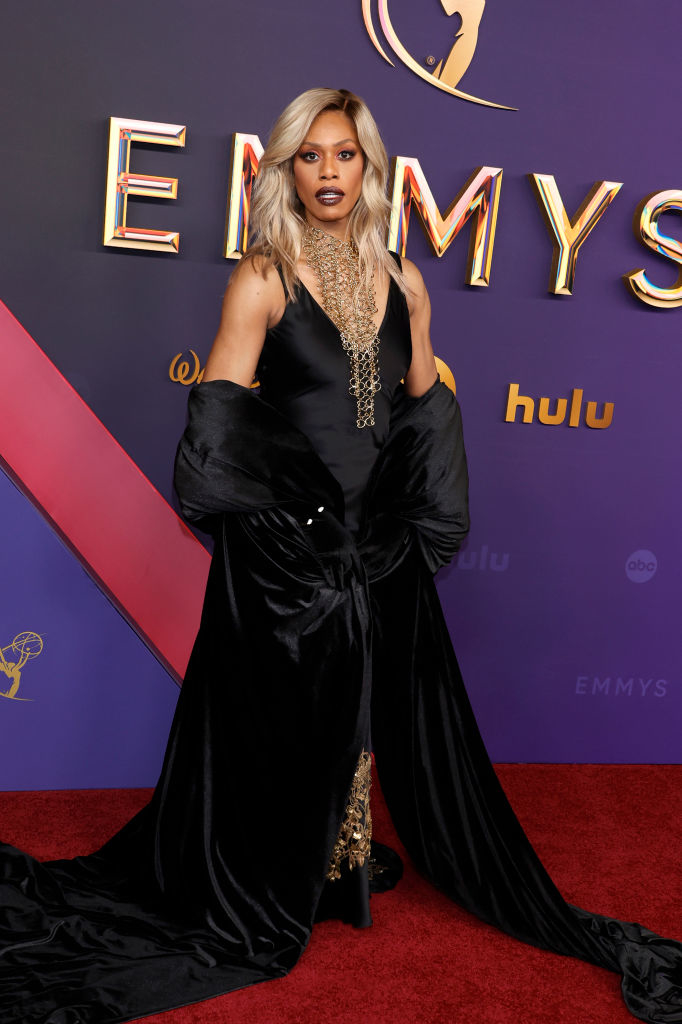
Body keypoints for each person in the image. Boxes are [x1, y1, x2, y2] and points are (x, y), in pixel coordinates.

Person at [1, 87, 681, 1024]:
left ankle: (338, 855)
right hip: (285, 547)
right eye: (309, 157)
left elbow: (418, 402)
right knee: (276, 711)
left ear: (371, 167)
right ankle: (270, 867)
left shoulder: (403, 279)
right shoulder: (262, 278)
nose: (327, 173)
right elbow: (221, 427)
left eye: (344, 155)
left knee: (355, 702)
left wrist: (406, 514)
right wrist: (288, 527)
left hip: (372, 545)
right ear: (284, 169)